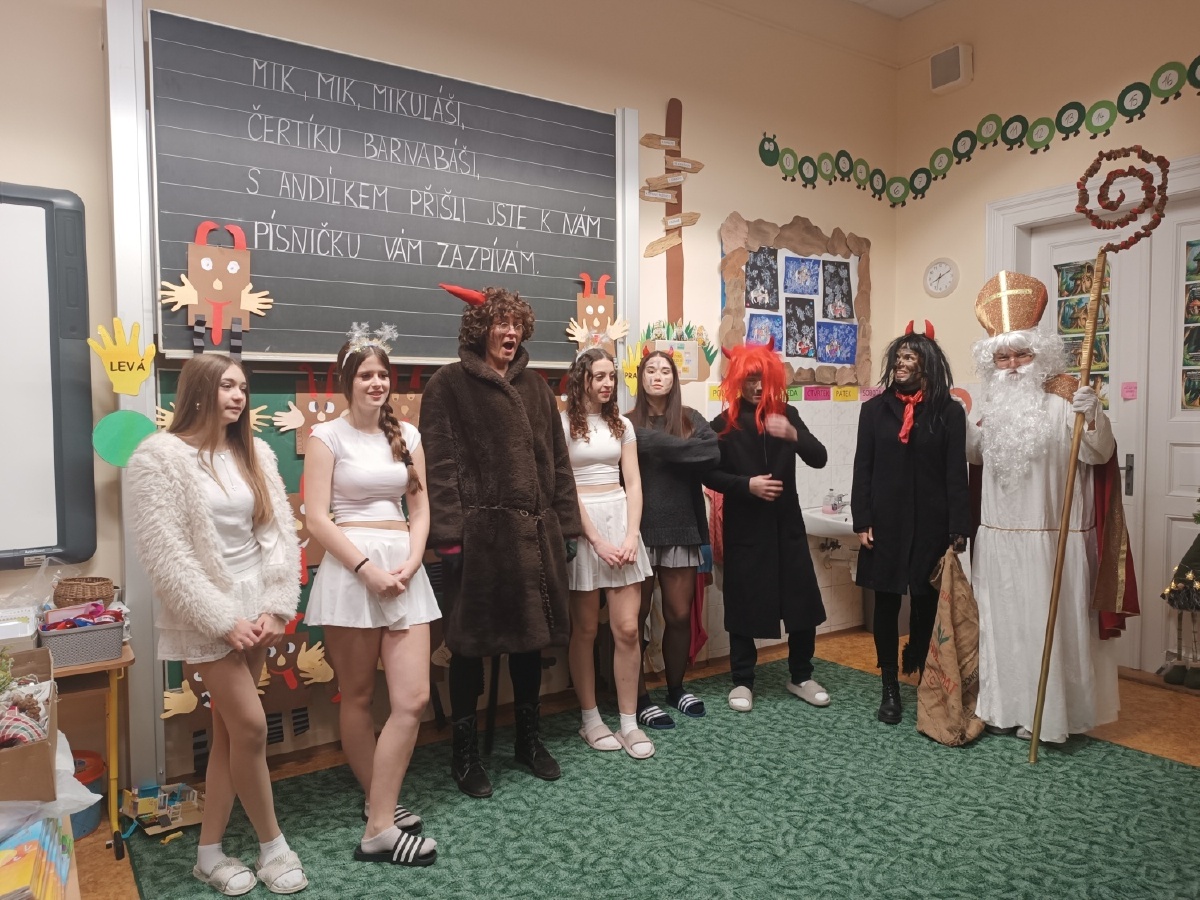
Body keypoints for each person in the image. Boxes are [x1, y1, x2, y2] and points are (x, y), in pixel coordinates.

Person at [127, 353, 307, 896]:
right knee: (251, 728)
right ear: (199, 390)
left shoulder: (252, 452)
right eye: (227, 385)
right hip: (208, 611)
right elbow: (166, 556)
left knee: (231, 735)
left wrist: (276, 605)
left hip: (257, 605)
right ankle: (273, 847)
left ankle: (207, 854)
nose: (238, 396)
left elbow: (278, 533)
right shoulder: (159, 457)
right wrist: (222, 620)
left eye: (242, 388)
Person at [420, 284, 582, 797]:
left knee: (530, 643)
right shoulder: (447, 385)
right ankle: (464, 753)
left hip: (533, 536)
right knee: (468, 647)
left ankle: (528, 740)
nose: (510, 333)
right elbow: (440, 467)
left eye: (516, 325)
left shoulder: (536, 388)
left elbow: (557, 461)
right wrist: (449, 535)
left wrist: (565, 525)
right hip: (478, 540)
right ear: (480, 328)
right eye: (500, 323)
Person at [967, 270, 1136, 743]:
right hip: (998, 539)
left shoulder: (1067, 398)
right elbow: (975, 456)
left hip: (1054, 539)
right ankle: (1002, 708)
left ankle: (1051, 717)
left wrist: (1094, 414)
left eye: (1021, 354)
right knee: (1003, 628)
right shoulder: (992, 404)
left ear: (1040, 353)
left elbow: (1099, 454)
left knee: (1050, 629)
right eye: (1003, 357)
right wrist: (956, 422)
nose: (1013, 365)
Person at [304, 327, 439, 867]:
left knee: (413, 699)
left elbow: (420, 508)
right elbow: (317, 518)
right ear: (348, 381)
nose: (376, 383)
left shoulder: (408, 434)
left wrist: (413, 558)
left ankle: (379, 816)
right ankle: (379, 814)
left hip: (404, 570)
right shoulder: (326, 437)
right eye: (366, 375)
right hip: (351, 572)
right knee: (357, 696)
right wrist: (365, 570)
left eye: (383, 374)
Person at [851, 323, 970, 725]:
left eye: (909, 357)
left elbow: (956, 474)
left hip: (931, 526)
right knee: (885, 603)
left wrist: (959, 528)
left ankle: (920, 669)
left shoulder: (949, 412)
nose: (900, 364)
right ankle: (889, 686)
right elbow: (863, 469)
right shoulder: (874, 410)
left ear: (927, 365)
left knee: (926, 603)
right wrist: (862, 519)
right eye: (898, 357)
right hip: (885, 523)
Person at [705, 341, 830, 712]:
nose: (758, 386)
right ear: (737, 380)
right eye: (750, 379)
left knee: (802, 604)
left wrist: (794, 435)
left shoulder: (787, 414)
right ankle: (742, 681)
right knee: (743, 607)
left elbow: (819, 457)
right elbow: (707, 473)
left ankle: (801, 675)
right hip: (745, 531)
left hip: (787, 527)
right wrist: (746, 485)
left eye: (763, 378)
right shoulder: (723, 425)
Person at [562, 348, 655, 758]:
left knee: (628, 629)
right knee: (584, 629)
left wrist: (632, 534)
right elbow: (565, 487)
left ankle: (629, 723)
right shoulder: (563, 424)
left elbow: (633, 483)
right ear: (581, 378)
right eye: (598, 376)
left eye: (611, 377)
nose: (606, 383)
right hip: (586, 530)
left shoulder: (622, 425)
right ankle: (590, 719)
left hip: (621, 524)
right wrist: (596, 540)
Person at [626, 350, 720, 730]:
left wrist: (652, 443)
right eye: (650, 370)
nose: (658, 376)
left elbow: (711, 452)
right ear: (641, 377)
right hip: (638, 532)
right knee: (635, 620)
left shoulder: (689, 418)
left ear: (674, 379)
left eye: (665, 370)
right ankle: (638, 698)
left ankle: (676, 688)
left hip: (681, 528)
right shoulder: (626, 422)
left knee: (679, 616)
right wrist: (683, 450)